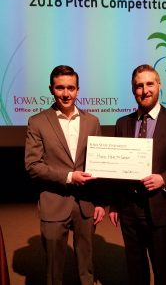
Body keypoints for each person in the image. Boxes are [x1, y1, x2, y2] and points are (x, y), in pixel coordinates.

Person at [109, 64, 166, 285]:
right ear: (133, 90)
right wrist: (114, 204)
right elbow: (116, 169)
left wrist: (164, 178)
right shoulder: (122, 123)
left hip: (159, 207)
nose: (144, 90)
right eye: (139, 86)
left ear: (159, 85)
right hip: (129, 209)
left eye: (150, 84)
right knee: (135, 269)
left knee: (161, 270)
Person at [25, 65, 105, 285]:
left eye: (71, 88)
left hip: (86, 205)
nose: (66, 93)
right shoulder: (37, 121)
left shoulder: (92, 122)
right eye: (60, 88)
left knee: (86, 269)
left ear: (78, 90)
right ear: (51, 89)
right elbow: (32, 165)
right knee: (54, 272)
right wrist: (70, 176)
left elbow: (98, 165)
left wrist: (99, 202)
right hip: (53, 203)